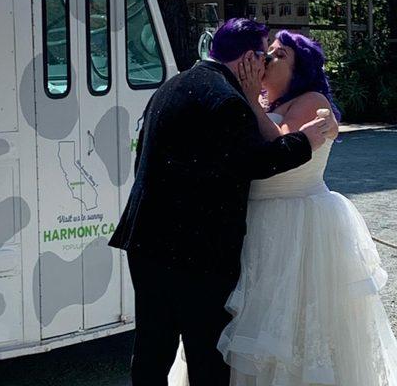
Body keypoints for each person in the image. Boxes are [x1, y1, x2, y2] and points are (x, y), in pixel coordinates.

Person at [108, 18, 334, 386]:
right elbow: (255, 162)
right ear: (249, 58)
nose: (265, 63)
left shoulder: (172, 86)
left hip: (147, 240)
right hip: (196, 250)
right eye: (264, 54)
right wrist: (303, 142)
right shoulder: (226, 99)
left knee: (152, 348)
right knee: (206, 355)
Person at [169, 30, 397, 386]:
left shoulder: (311, 100)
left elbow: (284, 149)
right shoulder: (261, 105)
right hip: (257, 222)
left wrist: (247, 98)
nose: (266, 59)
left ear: (298, 68)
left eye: (278, 55)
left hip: (300, 223)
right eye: (267, 53)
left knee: (295, 328)